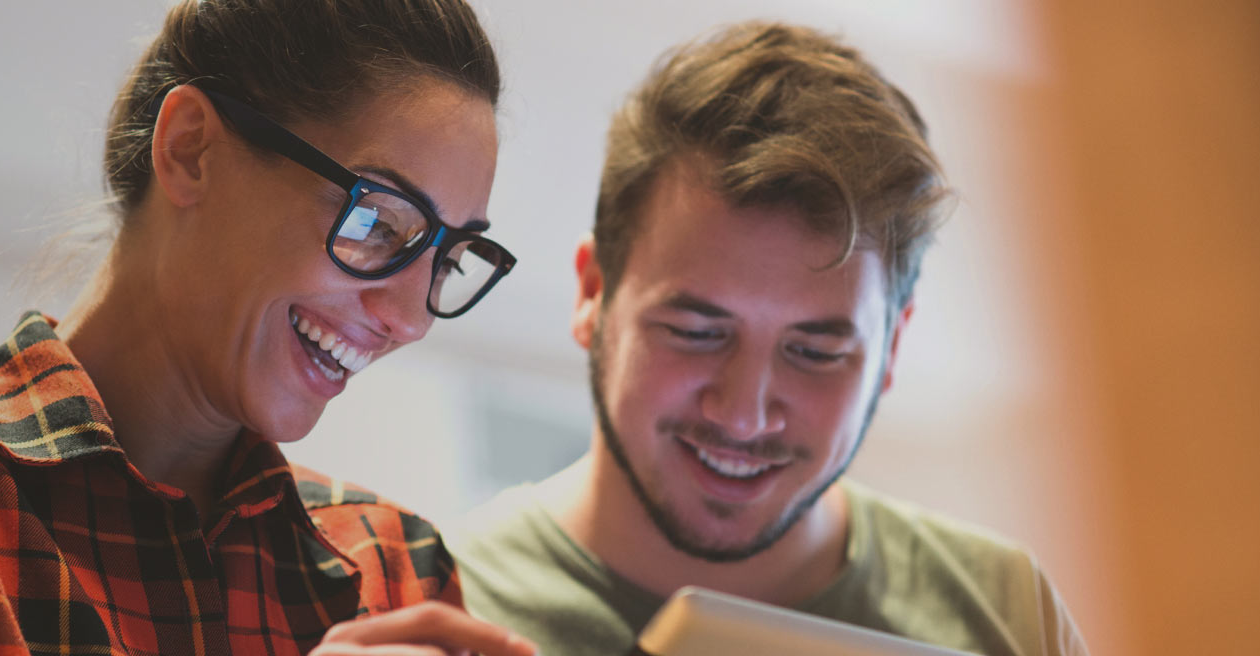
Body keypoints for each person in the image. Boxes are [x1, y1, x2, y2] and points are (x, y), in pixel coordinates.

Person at [0, 1, 537, 654]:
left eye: (449, 261)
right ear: (191, 150)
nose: (409, 317)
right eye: (378, 224)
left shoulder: (393, 572)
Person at [449, 22, 1089, 656]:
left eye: (815, 353)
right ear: (593, 294)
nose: (743, 413)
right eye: (696, 332)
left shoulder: (1007, 613)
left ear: (891, 349)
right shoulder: (442, 602)